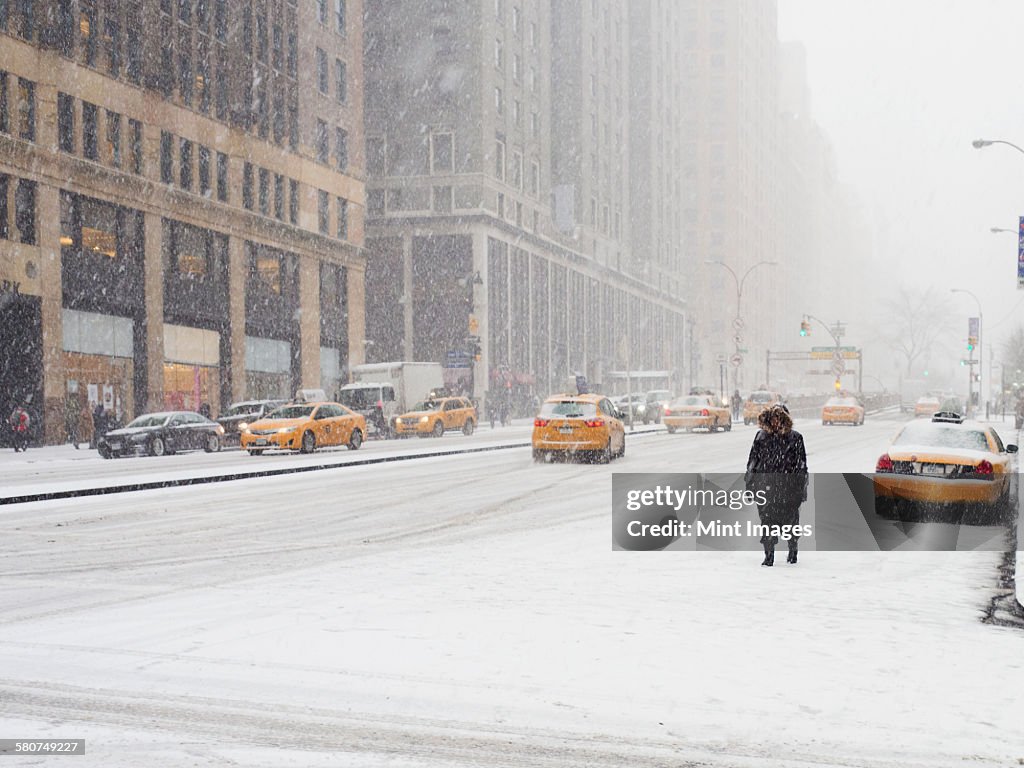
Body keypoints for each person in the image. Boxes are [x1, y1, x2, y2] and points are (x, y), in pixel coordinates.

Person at [745, 404, 808, 567]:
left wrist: (801, 489)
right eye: (772, 419)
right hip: (766, 488)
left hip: (789, 489)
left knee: (792, 522)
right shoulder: (761, 437)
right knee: (767, 522)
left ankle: (792, 551)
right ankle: (769, 555)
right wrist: (750, 485)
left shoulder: (795, 438)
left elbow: (801, 466)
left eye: (778, 419)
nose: (775, 422)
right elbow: (753, 462)